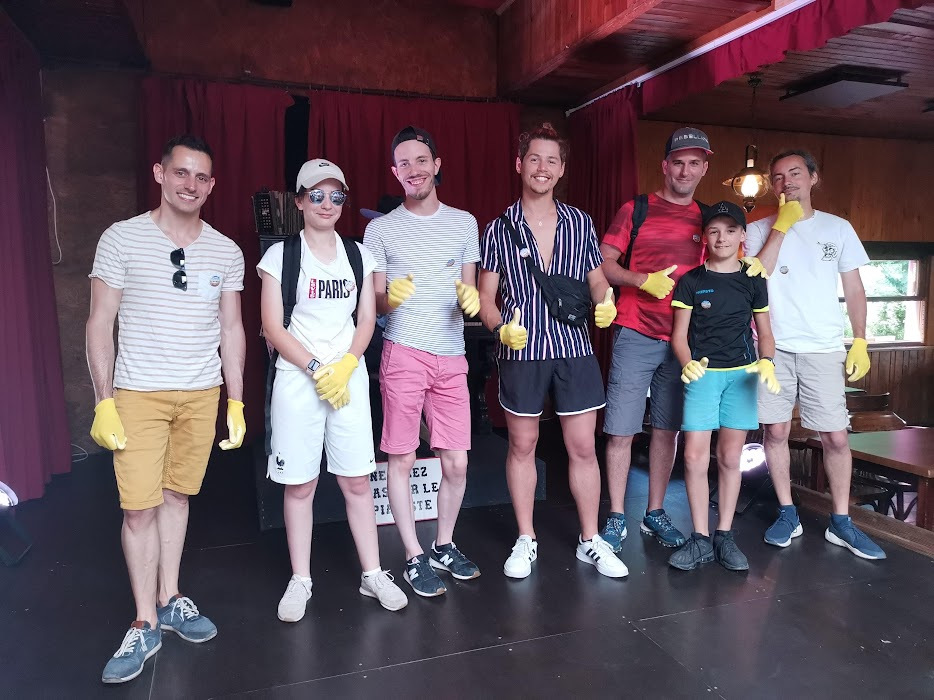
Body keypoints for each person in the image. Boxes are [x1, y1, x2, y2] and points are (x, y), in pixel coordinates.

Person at [87, 135, 247, 684]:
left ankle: (171, 597)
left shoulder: (226, 251)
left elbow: (232, 328)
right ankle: (144, 621)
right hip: (138, 393)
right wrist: (104, 400)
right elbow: (99, 321)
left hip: (201, 393)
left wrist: (236, 399)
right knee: (139, 508)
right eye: (181, 172)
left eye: (201, 177)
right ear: (159, 173)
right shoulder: (122, 238)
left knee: (178, 496)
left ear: (211, 185)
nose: (190, 184)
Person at [258, 159, 408, 623]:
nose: (327, 204)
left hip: (348, 381)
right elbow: (272, 327)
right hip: (298, 381)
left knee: (357, 480)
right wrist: (316, 367)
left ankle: (373, 573)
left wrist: (345, 366)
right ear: (300, 201)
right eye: (317, 195)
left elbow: (366, 320)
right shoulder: (280, 257)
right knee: (300, 484)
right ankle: (301, 578)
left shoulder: (359, 255)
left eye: (336, 196)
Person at [477, 122, 626, 579]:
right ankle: (526, 537)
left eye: (552, 161)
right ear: (519, 164)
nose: (542, 168)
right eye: (534, 159)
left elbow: (596, 280)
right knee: (523, 445)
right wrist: (500, 328)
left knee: (582, 446)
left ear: (562, 170)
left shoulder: (580, 223)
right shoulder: (498, 228)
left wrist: (606, 301)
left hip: (573, 346)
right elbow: (485, 297)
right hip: (522, 349)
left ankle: (590, 539)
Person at [742, 150, 886, 560]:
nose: (786, 181)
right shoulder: (757, 229)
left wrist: (860, 340)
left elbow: (854, 288)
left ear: (813, 178)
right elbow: (757, 275)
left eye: (794, 173)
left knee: (835, 436)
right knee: (775, 432)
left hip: (823, 347)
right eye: (777, 176)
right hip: (772, 347)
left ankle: (841, 521)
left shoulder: (838, 228)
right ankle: (788, 512)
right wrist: (782, 227)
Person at [363, 126, 482, 597]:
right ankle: (413, 554)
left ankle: (443, 545)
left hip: (452, 354)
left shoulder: (464, 223)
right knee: (402, 457)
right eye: (404, 164)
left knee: (456, 462)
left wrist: (471, 302)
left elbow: (468, 291)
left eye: (420, 160)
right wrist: (388, 299)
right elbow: (375, 301)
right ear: (395, 173)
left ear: (437, 164)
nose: (413, 170)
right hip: (404, 352)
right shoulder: (379, 229)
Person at [598, 128, 713, 551]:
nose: (685, 171)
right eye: (678, 162)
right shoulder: (637, 209)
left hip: (684, 340)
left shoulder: (708, 219)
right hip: (635, 330)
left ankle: (655, 512)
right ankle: (615, 516)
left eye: (694, 163)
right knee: (621, 430)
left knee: (667, 430)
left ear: (704, 168)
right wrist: (641, 280)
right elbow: (604, 263)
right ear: (665, 166)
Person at [667, 201, 779, 572]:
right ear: (704, 236)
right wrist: (687, 364)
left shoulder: (753, 280)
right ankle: (700, 538)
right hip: (702, 376)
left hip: (742, 377)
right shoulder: (691, 281)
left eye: (730, 230)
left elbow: (765, 333)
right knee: (694, 458)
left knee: (731, 457)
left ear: (742, 235)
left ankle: (724, 535)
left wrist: (766, 360)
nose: (722, 238)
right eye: (714, 231)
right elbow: (679, 336)